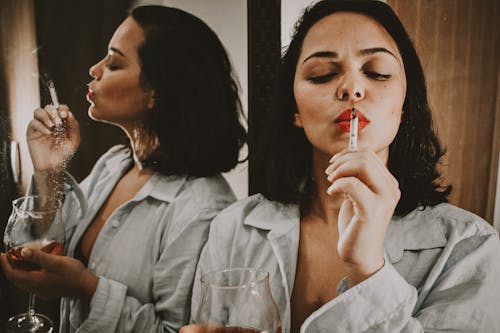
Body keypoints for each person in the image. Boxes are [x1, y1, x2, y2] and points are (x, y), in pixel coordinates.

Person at [183, 0, 500, 332]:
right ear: (295, 110)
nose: (352, 88)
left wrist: (368, 269)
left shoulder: (469, 248)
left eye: (377, 72)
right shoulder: (234, 229)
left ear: (404, 105)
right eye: (322, 74)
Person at [0, 5, 246, 332]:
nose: (94, 69)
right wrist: (50, 171)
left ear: (157, 91)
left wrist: (86, 288)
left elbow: (176, 330)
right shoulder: (114, 164)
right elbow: (48, 241)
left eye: (113, 63)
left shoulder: (203, 210)